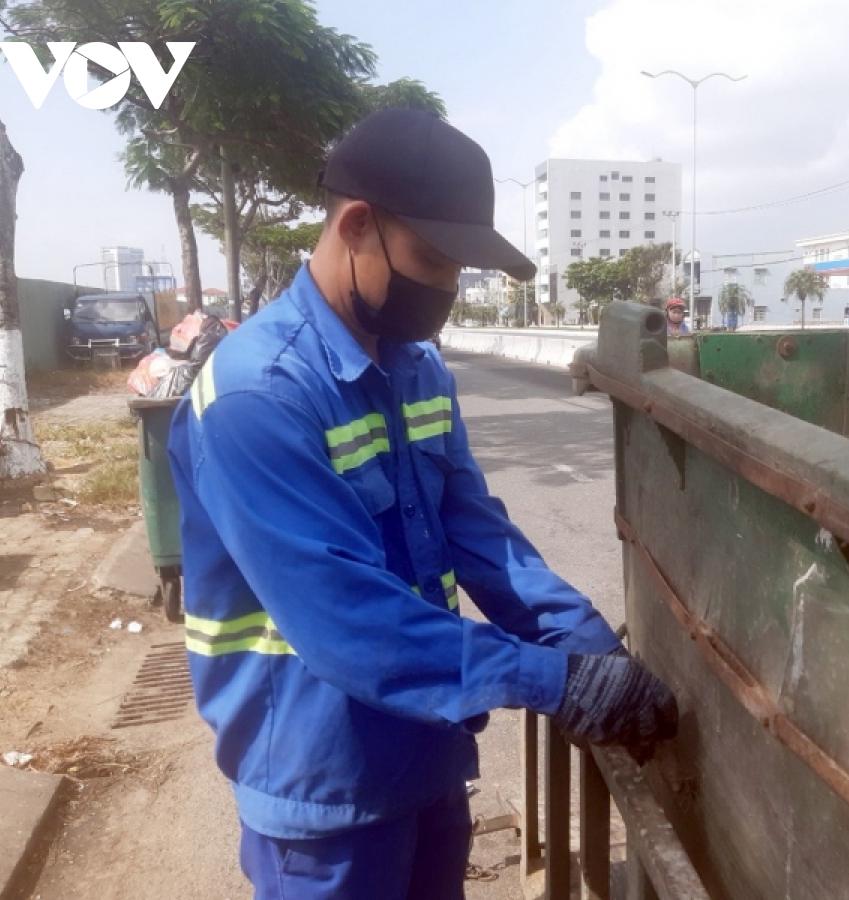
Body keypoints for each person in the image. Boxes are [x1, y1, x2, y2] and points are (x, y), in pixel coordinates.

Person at [166, 107, 678, 900]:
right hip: (321, 790)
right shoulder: (257, 397)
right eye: (433, 261)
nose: (445, 290)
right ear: (359, 226)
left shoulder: (417, 369)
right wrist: (554, 683)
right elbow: (349, 622)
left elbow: (477, 532)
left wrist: (585, 645)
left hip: (426, 754)